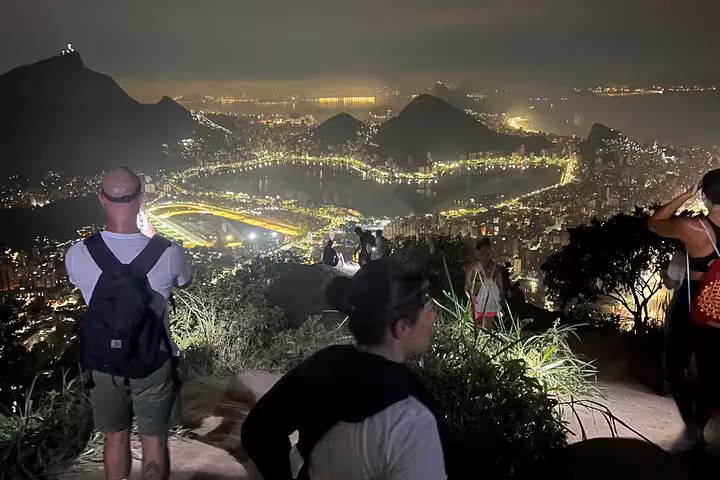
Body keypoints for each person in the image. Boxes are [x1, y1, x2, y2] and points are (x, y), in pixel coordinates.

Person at [241, 258, 451, 480]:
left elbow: (257, 431)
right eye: (427, 307)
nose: (432, 316)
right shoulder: (412, 413)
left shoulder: (322, 366)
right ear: (401, 328)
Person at [65, 168, 192, 480]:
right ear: (142, 198)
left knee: (115, 436)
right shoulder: (169, 252)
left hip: (105, 362)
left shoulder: (78, 253)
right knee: (154, 440)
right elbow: (185, 282)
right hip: (154, 358)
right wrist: (151, 243)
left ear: (101, 200)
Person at [648, 169, 720, 451]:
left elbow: (655, 222)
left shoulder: (695, 228)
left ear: (705, 195)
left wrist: (686, 196)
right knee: (711, 372)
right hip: (718, 312)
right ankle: (699, 426)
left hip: (690, 304)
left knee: (676, 367)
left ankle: (692, 426)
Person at [464, 238, 503, 328]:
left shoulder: (472, 266)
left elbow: (466, 288)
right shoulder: (494, 267)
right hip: (488, 302)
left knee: (476, 328)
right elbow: (500, 287)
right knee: (486, 328)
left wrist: (473, 302)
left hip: (477, 300)